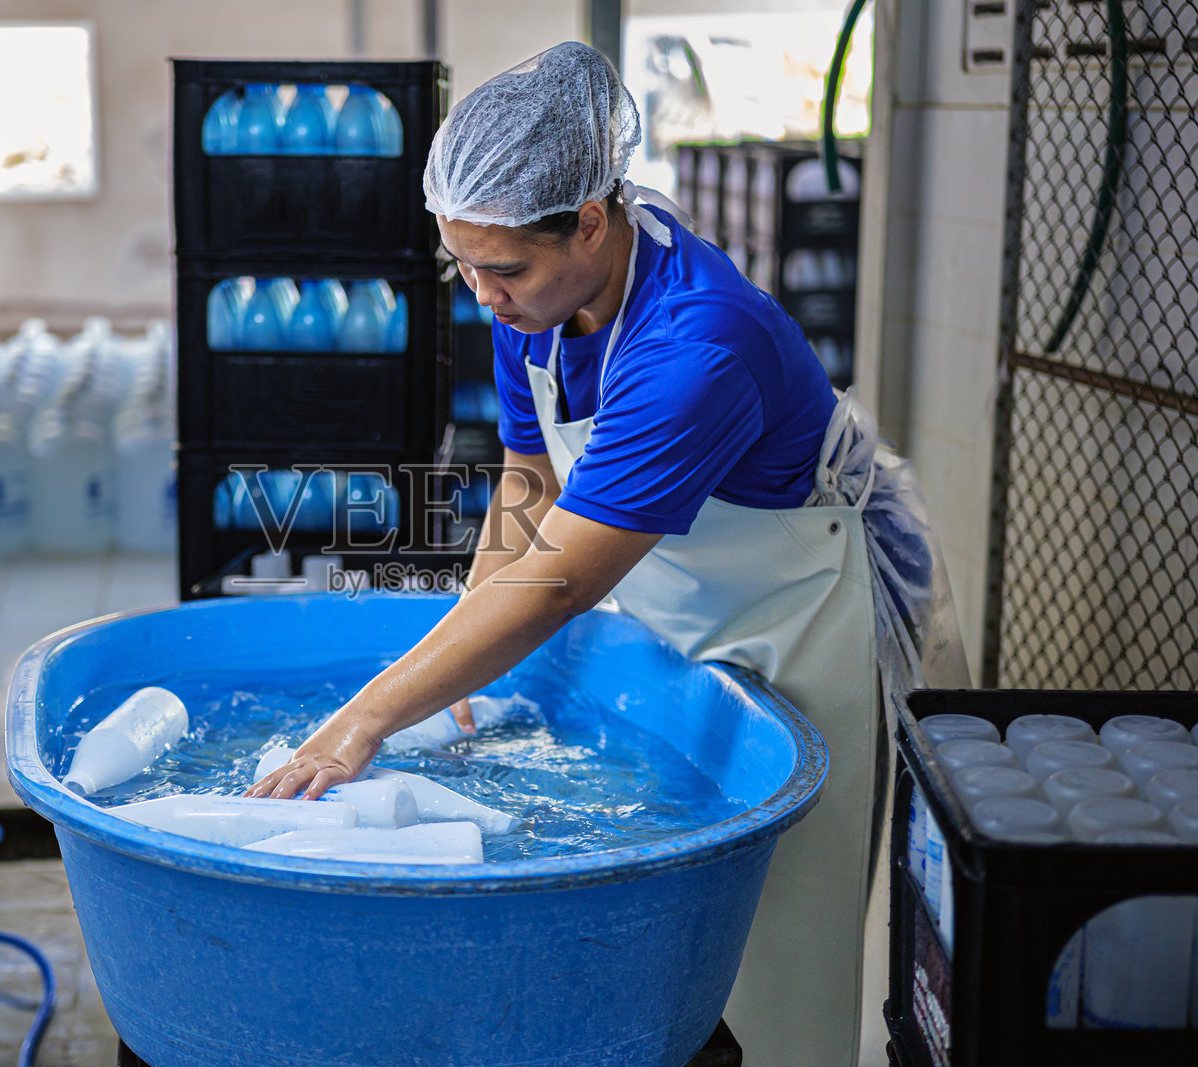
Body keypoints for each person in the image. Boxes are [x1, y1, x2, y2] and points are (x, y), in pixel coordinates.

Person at [248, 41, 966, 1067]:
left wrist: (366, 716)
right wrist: (452, 652)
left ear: (591, 219)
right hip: (678, 589)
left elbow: (563, 581)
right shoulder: (534, 300)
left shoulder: (693, 348)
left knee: (783, 923)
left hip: (806, 601)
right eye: (465, 264)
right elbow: (526, 494)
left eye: (502, 268)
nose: (483, 294)